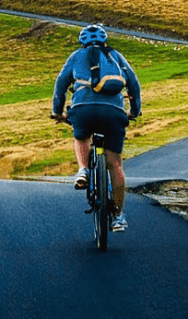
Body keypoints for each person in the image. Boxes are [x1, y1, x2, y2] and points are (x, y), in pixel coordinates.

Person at [51, 23, 141, 232]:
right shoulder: (116, 56)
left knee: (81, 137)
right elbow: (134, 84)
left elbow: (61, 84)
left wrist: (57, 111)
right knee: (115, 165)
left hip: (83, 108)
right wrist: (134, 111)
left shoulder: (76, 56)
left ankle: (83, 170)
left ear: (82, 42)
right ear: (105, 40)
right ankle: (118, 217)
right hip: (114, 111)